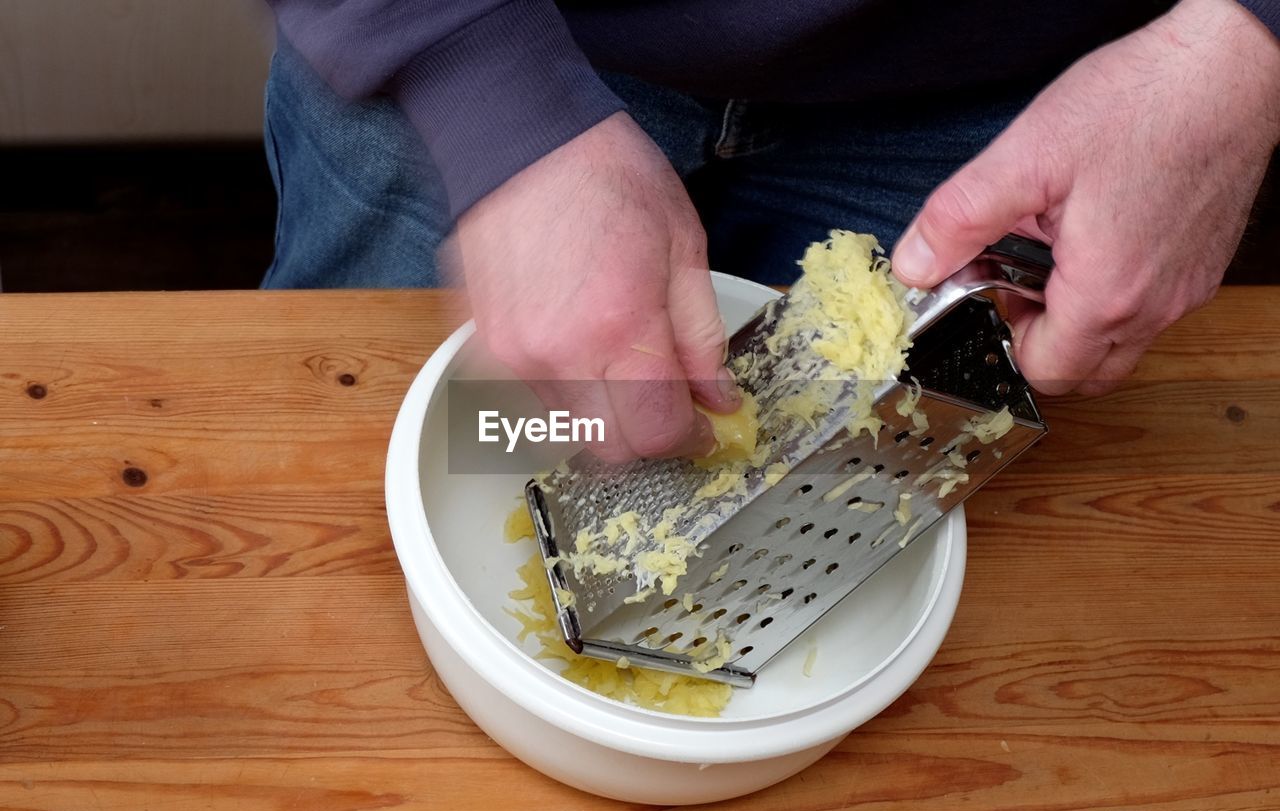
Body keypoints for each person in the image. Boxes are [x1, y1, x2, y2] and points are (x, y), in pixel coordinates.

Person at [262, 0, 1280, 461]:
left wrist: (1242, 47)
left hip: (1017, 93)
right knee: (393, 466)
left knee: (767, 475)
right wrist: (474, 72)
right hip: (490, 48)